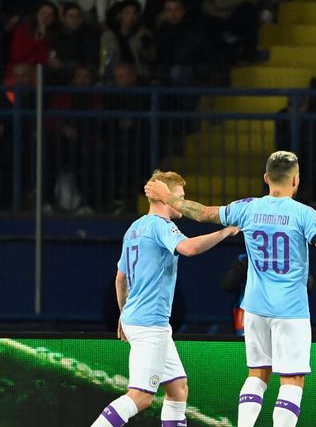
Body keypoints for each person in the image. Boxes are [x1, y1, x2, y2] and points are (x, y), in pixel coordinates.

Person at [144, 151, 316, 427]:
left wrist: (170, 198)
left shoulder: (247, 207)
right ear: (296, 179)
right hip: (290, 310)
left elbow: (203, 214)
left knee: (257, 374)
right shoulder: (304, 214)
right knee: (292, 379)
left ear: (266, 178)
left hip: (254, 308)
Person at [91, 170, 240, 427]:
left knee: (178, 389)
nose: (182, 202)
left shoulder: (134, 228)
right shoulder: (162, 226)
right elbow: (190, 248)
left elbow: (120, 278)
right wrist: (226, 232)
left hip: (140, 320)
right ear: (164, 198)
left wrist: (124, 315)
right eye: (179, 197)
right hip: (150, 324)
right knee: (140, 397)